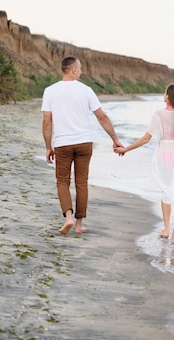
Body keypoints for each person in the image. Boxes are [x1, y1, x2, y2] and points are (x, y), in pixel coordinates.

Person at [42, 55, 123, 235]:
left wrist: (48, 147)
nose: (81, 71)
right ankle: (79, 225)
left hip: (62, 143)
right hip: (84, 142)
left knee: (62, 181)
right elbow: (102, 117)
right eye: (80, 68)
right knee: (82, 183)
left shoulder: (50, 91)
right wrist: (114, 139)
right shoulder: (86, 90)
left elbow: (47, 122)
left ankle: (68, 217)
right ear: (73, 70)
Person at [114, 83, 174, 243]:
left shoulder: (158, 115)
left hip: (165, 157)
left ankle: (166, 229)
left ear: (167, 96)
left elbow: (145, 139)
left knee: (167, 192)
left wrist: (126, 149)